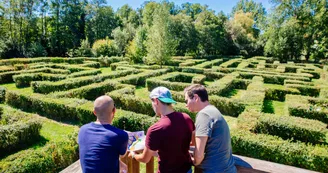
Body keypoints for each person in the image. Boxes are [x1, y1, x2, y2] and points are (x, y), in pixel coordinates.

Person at [129, 86, 195, 173]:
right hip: (186, 170)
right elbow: (192, 142)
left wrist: (133, 155)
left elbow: (145, 159)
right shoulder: (187, 118)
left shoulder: (155, 129)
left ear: (156, 101)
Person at [184, 84, 236, 173]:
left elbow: (199, 155)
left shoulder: (204, 115)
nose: (186, 105)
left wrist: (192, 161)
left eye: (187, 100)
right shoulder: (213, 110)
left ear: (196, 97)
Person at [78, 95, 128, 173]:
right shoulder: (120, 135)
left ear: (94, 112)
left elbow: (96, 153)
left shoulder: (82, 130)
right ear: (114, 111)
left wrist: (120, 164)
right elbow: (123, 155)